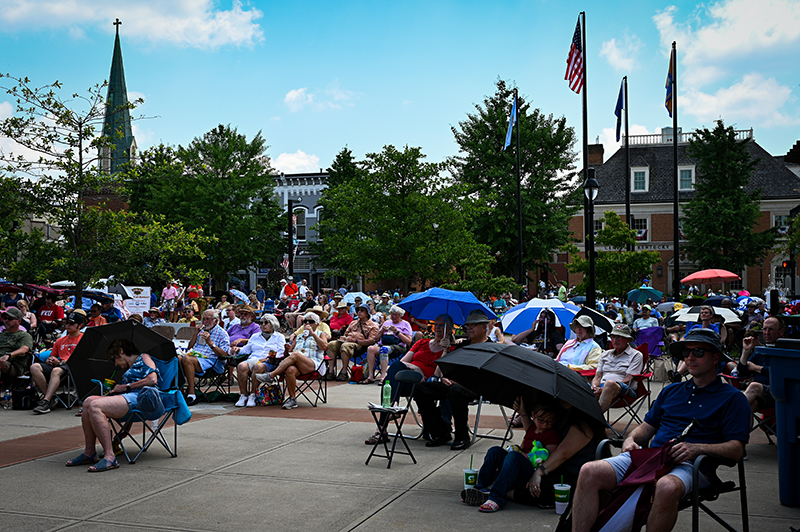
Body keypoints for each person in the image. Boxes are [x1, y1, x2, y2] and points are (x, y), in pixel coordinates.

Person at [572, 328, 751, 532]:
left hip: (693, 465)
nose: (690, 357)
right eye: (686, 352)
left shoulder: (733, 398)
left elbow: (736, 449)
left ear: (715, 357)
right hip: (650, 458)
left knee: (666, 486)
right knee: (589, 470)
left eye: (698, 352)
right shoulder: (671, 391)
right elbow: (646, 428)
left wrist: (697, 449)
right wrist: (631, 439)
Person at [65, 338, 161, 472]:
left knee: (95, 406)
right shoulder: (127, 368)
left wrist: (126, 386)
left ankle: (110, 457)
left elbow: (152, 379)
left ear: (121, 351)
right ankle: (89, 452)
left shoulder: (144, 357)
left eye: (113, 359)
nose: (115, 364)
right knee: (88, 402)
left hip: (140, 397)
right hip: (127, 396)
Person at [365, 314, 454, 444]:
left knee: (390, 382)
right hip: (406, 380)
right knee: (394, 370)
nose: (438, 328)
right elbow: (402, 363)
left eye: (442, 325)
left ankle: (382, 428)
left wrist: (446, 350)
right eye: (437, 324)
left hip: (424, 386)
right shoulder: (421, 343)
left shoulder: (451, 350)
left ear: (450, 329)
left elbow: (437, 374)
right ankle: (391, 409)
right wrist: (415, 368)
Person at [462, 397, 563, 512]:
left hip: (530, 470)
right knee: (494, 451)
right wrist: (521, 409)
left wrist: (527, 457)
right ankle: (481, 488)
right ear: (533, 416)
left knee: (514, 456)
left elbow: (550, 457)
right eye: (541, 420)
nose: (545, 424)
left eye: (550, 421)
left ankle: (496, 498)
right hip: (515, 465)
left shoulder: (552, 435)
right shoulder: (532, 429)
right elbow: (524, 416)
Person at [415, 309, 491, 451]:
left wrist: (460, 381)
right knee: (421, 388)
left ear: (484, 327)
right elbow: (446, 369)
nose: (469, 328)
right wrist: (445, 377)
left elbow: (487, 375)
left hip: (476, 386)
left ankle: (462, 436)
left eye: (473, 325)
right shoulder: (462, 346)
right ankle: (440, 431)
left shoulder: (491, 348)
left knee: (457, 391)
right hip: (454, 384)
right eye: (467, 325)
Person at [257, 311, 329, 410]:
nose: (307, 324)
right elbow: (289, 355)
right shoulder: (298, 337)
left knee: (296, 355)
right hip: (299, 365)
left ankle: (271, 375)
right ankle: (292, 399)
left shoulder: (321, 334)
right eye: (305, 321)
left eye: (310, 321)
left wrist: (313, 334)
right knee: (290, 369)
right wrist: (287, 349)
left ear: (317, 324)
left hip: (314, 364)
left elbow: (324, 347)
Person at [30, 311, 85, 414]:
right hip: (61, 367)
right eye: (66, 323)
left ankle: (45, 401)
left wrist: (60, 363)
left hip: (74, 367)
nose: (67, 325)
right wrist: (50, 359)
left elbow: (82, 358)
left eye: (71, 323)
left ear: (79, 325)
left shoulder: (83, 339)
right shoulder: (60, 340)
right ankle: (50, 398)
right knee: (35, 367)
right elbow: (53, 355)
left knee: (56, 370)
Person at [178, 309, 231, 406]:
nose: (205, 322)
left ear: (216, 321)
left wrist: (210, 343)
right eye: (203, 319)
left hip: (212, 361)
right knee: (178, 358)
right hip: (196, 357)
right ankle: (180, 392)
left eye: (208, 319)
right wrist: (195, 333)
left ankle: (191, 393)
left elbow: (225, 355)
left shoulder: (222, 333)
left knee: (186, 359)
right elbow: (190, 348)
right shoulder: (201, 331)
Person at [233, 314, 286, 407]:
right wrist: (238, 350)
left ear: (273, 324)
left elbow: (281, 352)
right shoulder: (255, 336)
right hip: (254, 359)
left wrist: (268, 357)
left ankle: (253, 394)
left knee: (259, 366)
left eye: (266, 323)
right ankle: (243, 395)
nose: (263, 325)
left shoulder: (279, 337)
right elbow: (246, 349)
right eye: (261, 323)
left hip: (269, 362)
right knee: (241, 366)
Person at [591, 323, 644, 412]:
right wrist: (595, 387)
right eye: (613, 337)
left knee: (610, 384)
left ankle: (595, 420)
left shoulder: (636, 355)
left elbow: (628, 379)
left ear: (628, 340)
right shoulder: (605, 354)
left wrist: (603, 389)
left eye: (620, 337)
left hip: (625, 390)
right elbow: (598, 376)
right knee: (576, 384)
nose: (615, 340)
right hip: (601, 386)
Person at [740, 316, 784, 421]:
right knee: (751, 405)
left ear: (781, 332)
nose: (767, 332)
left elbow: (777, 373)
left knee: (754, 386)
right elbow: (741, 372)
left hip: (781, 394)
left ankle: (726, 415)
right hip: (763, 397)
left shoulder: (784, 350)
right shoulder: (761, 351)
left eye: (771, 329)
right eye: (764, 329)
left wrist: (755, 368)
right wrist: (746, 352)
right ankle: (738, 436)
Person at [325, 304, 379, 381]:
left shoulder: (373, 326)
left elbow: (371, 341)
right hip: (347, 341)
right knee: (331, 344)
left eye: (362, 310)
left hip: (360, 345)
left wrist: (356, 341)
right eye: (358, 310)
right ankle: (331, 371)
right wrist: (344, 337)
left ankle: (344, 372)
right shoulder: (353, 322)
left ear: (367, 313)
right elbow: (346, 333)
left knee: (345, 346)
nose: (359, 312)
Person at [363, 305, 413, 384]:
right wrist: (382, 330)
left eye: (395, 315)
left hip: (398, 346)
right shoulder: (387, 322)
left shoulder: (405, 324)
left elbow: (408, 341)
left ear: (400, 315)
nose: (393, 317)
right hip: (383, 343)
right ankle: (370, 376)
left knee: (384, 349)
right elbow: (376, 339)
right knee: (370, 349)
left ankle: (383, 377)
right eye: (392, 314)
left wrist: (397, 332)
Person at [0, 307, 34, 380]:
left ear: (18, 321)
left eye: (10, 319)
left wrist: (9, 355)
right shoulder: (1, 335)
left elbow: (25, 349)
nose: (6, 320)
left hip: (13, 365)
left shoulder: (24, 335)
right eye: (5, 318)